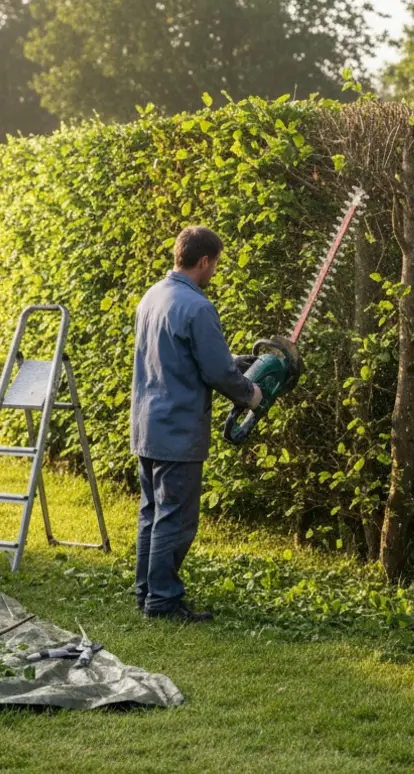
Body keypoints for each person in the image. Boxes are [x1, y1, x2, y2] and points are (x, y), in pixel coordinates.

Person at [130, 225, 262, 622]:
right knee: (176, 517)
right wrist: (251, 394)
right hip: (178, 428)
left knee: (152, 513)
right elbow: (218, 374)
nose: (215, 272)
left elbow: (181, 353)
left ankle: (146, 592)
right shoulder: (198, 306)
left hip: (147, 423)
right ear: (204, 261)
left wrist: (232, 359)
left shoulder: (152, 296)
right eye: (216, 265)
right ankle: (164, 601)